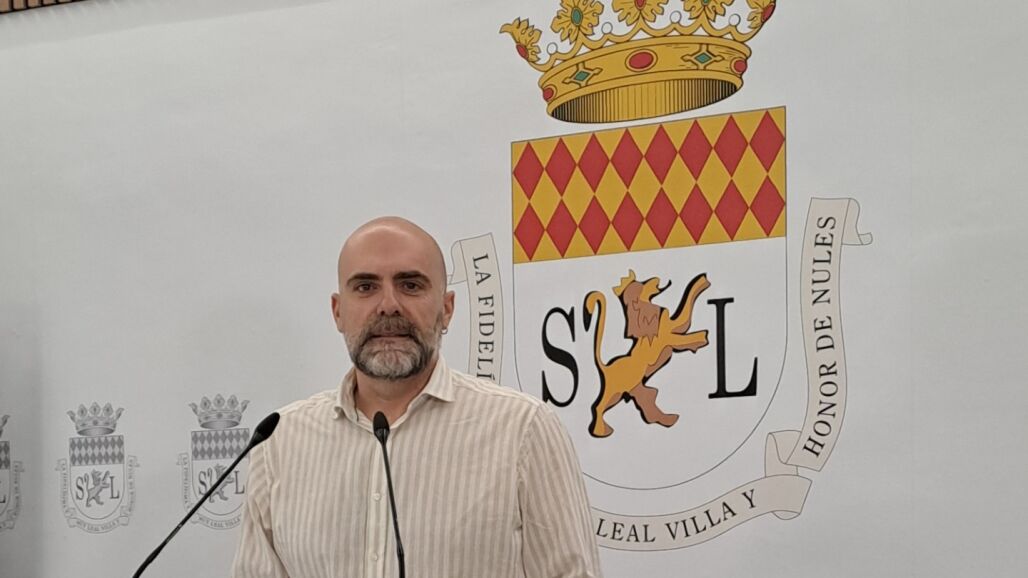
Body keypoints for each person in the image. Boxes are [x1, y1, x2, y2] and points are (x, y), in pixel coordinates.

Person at [232, 217, 603, 577]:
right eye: (365, 287)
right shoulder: (279, 442)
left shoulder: (523, 429)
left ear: (447, 309)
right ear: (338, 312)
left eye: (410, 285)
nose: (388, 305)